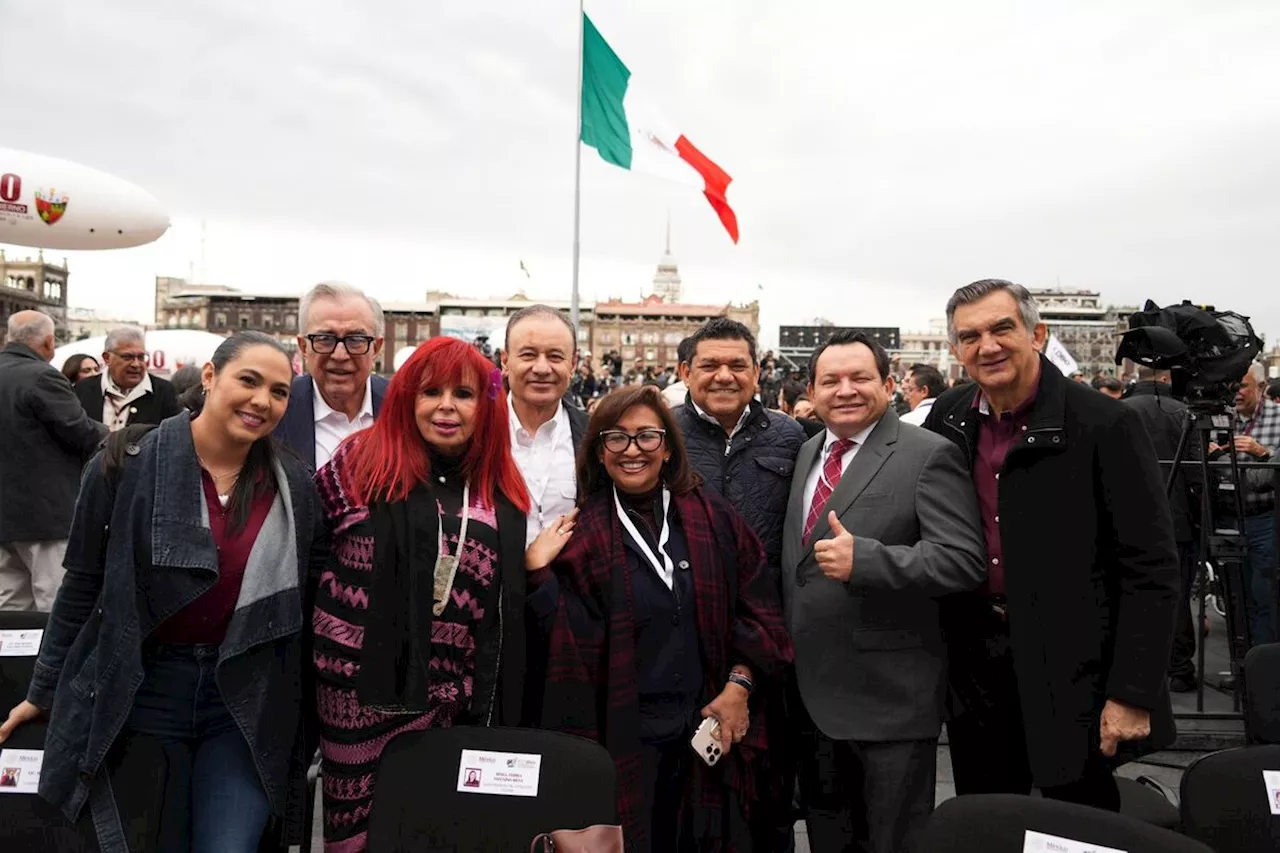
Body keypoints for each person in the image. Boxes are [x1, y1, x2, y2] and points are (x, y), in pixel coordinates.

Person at [0, 331, 324, 853]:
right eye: (249, 380)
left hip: (243, 696)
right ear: (211, 378)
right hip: (144, 691)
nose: (263, 401)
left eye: (280, 391)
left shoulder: (293, 485)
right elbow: (81, 586)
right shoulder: (125, 463)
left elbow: (307, 603)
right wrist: (43, 690)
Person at [924, 279, 1179, 811]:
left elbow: (1150, 567)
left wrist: (1133, 691)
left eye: (1002, 328)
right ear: (956, 351)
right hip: (976, 665)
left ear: (1037, 333)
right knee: (989, 817)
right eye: (970, 336)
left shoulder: (1106, 423)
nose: (987, 346)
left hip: (1075, 667)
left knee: (1076, 822)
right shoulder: (947, 416)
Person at [534, 385, 793, 852]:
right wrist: (536, 572)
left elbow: (760, 607)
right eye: (616, 438)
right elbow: (562, 645)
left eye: (646, 437)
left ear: (668, 446)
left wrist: (740, 684)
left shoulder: (713, 516)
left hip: (708, 725)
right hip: (627, 738)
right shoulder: (585, 533)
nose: (633, 450)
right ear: (599, 450)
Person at [312, 336, 537, 853]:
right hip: (356, 700)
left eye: (463, 393)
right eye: (430, 391)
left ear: (485, 405)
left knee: (440, 833)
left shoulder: (500, 487)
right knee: (362, 841)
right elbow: (309, 552)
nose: (446, 407)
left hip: (451, 704)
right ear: (407, 398)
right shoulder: (359, 463)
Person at [781, 331, 986, 853]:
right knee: (831, 837)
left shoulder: (927, 454)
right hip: (812, 699)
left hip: (890, 702)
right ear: (813, 389)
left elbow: (963, 561)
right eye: (831, 380)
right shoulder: (807, 452)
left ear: (889, 384)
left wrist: (869, 560)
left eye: (860, 378)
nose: (845, 390)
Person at [671, 318, 806, 850]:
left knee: (769, 801)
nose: (724, 376)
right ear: (685, 371)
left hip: (770, 643)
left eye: (737, 365)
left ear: (757, 372)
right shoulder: (661, 433)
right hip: (682, 641)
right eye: (709, 365)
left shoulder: (792, 437)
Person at [501, 305, 589, 725]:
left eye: (555, 356)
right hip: (489, 620)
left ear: (573, 364)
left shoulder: (593, 435)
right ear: (505, 361)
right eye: (527, 354)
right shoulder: (474, 432)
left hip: (567, 622)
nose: (541, 368)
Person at [0, 312, 107, 611]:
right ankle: (50, 661)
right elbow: (82, 433)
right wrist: (116, 436)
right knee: (55, 606)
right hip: (45, 515)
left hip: (5, 519)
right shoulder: (43, 376)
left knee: (9, 609)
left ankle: (14, 661)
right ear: (49, 341)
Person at [1122, 368, 1201, 692]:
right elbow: (1197, 474)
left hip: (1128, 517)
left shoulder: (1119, 410)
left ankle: (1135, 667)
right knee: (1177, 596)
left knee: (1130, 592)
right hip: (1176, 519)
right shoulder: (1183, 412)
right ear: (1167, 378)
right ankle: (1179, 668)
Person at [274, 281, 390, 470]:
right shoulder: (277, 410)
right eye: (325, 339)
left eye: (356, 340)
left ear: (376, 348)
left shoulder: (405, 407)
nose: (340, 355)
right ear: (303, 347)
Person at [1210, 362, 1279, 646]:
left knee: (1264, 595)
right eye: (1231, 387)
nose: (1235, 393)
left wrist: (1262, 452)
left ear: (1261, 387)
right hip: (1226, 517)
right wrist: (1211, 454)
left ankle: (1263, 671)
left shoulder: (1278, 418)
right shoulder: (1220, 418)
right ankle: (1242, 672)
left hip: (1264, 517)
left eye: (1242, 386)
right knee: (1235, 597)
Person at [74, 326, 181, 431]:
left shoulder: (164, 392)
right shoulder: (83, 390)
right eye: (127, 357)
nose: (136, 364)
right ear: (107, 358)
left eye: (141, 357)